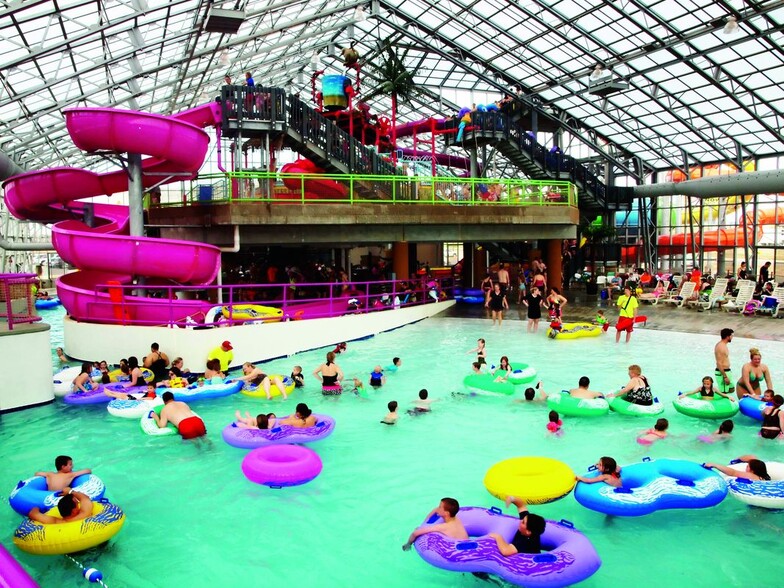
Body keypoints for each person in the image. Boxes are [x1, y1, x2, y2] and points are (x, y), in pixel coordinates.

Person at [402, 498, 468, 550]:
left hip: (456, 551)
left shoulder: (443, 527)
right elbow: (436, 510)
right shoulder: (456, 519)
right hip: (467, 545)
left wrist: (408, 544)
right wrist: (424, 523)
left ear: (446, 513)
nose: (437, 508)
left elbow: (415, 533)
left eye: (440, 507)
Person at [28, 488, 93, 525]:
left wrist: (37, 507)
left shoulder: (55, 522)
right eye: (77, 503)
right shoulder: (84, 515)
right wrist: (70, 491)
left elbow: (33, 513)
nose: (79, 503)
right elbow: (85, 498)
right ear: (73, 511)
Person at [704, 455, 770, 481]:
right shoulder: (764, 478)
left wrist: (715, 465)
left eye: (747, 466)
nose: (745, 468)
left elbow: (733, 473)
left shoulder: (751, 476)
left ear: (752, 470)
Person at [714, 328, 735, 397]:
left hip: (727, 371)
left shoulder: (723, 345)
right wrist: (725, 376)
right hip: (723, 372)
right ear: (727, 336)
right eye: (731, 335)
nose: (732, 337)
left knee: (731, 389)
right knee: (723, 393)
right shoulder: (721, 347)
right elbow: (719, 363)